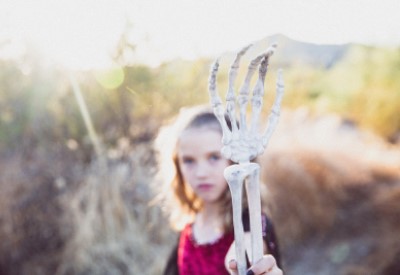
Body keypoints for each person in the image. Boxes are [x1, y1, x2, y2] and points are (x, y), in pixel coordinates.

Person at [154, 105, 282, 275]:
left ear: (235, 160)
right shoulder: (189, 224)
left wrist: (253, 264)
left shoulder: (250, 223)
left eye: (214, 157)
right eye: (189, 160)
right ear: (177, 166)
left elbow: (251, 248)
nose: (201, 173)